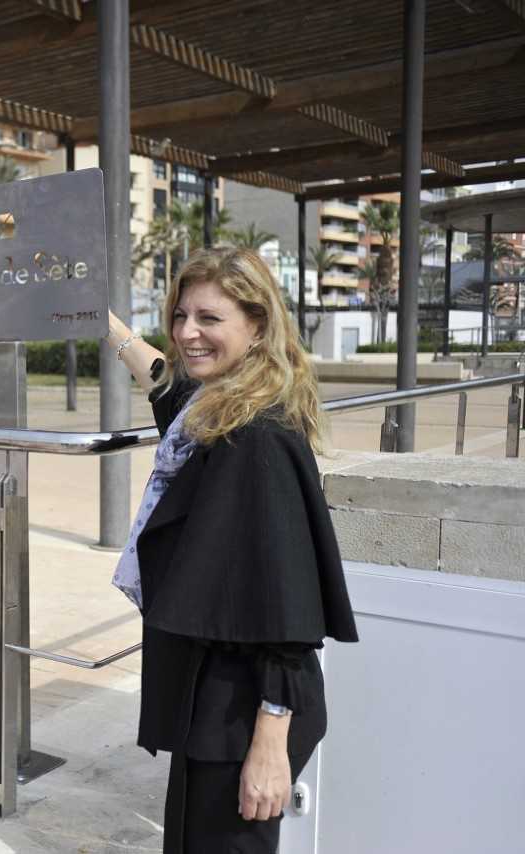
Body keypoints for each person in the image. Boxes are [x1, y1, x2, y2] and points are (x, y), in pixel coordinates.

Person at [104, 248, 359, 854]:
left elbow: (288, 607)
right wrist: (102, 322)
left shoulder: (257, 439)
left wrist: (270, 745)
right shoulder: (212, 407)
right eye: (181, 315)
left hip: (248, 707)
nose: (188, 332)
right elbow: (164, 382)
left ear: (258, 326)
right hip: (213, 692)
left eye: (210, 318)